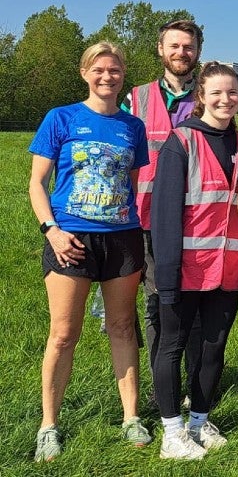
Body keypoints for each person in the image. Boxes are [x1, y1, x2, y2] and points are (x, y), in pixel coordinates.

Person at [29, 41, 152, 462]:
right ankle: (49, 424)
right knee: (64, 334)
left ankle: (131, 417)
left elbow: (131, 185)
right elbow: (36, 184)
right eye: (99, 69)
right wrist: (52, 231)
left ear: (123, 76)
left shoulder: (132, 126)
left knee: (122, 327)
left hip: (122, 239)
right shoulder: (60, 118)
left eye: (115, 70)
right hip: (70, 239)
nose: (107, 76)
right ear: (85, 73)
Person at [150, 62, 238, 460]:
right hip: (184, 269)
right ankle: (171, 431)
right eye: (216, 93)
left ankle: (199, 419)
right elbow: (165, 215)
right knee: (172, 347)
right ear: (201, 97)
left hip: (228, 269)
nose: (225, 100)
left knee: (213, 347)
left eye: (232, 93)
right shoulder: (181, 143)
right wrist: (167, 275)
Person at [125, 19, 205, 402]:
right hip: (145, 218)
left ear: (197, 52)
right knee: (157, 302)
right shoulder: (136, 98)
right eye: (174, 46)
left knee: (192, 303)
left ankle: (192, 384)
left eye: (187, 47)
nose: (181, 53)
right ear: (160, 49)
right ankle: (162, 387)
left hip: (195, 219)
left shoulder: (208, 97)